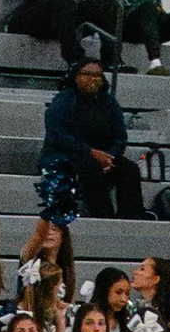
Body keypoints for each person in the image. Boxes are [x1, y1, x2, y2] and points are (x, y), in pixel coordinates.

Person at [37, 60, 141, 221]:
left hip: (102, 158)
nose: (93, 79)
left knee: (129, 169)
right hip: (66, 155)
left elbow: (120, 137)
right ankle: (103, 218)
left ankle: (131, 219)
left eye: (98, 75)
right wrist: (91, 152)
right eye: (87, 74)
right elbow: (56, 135)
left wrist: (109, 157)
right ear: (76, 77)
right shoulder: (64, 100)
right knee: (89, 167)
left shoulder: (109, 102)